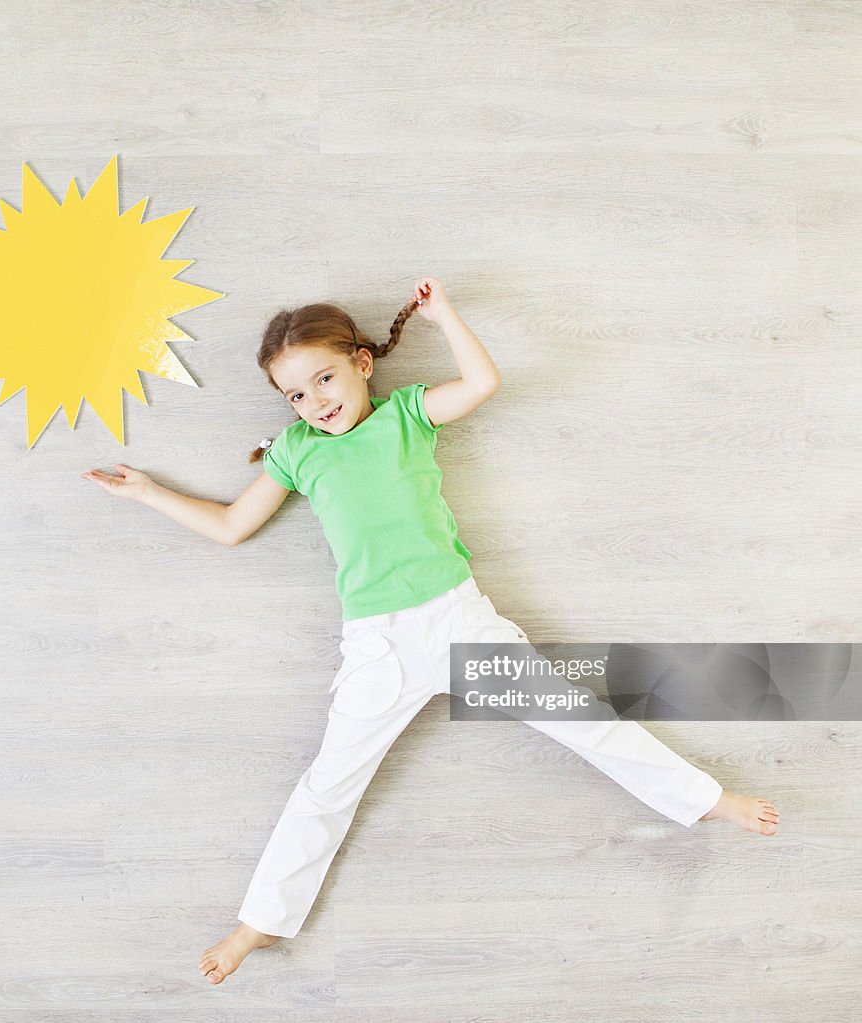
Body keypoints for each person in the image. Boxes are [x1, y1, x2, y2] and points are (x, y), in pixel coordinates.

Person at [82, 276, 781, 986]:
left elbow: (482, 380)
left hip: (457, 621)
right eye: (295, 394)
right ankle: (257, 923)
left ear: (362, 362)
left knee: (580, 718)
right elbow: (233, 524)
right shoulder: (297, 451)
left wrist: (443, 314)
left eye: (324, 378)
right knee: (327, 786)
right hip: (376, 647)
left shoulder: (407, 415)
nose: (315, 402)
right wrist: (147, 492)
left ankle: (706, 799)